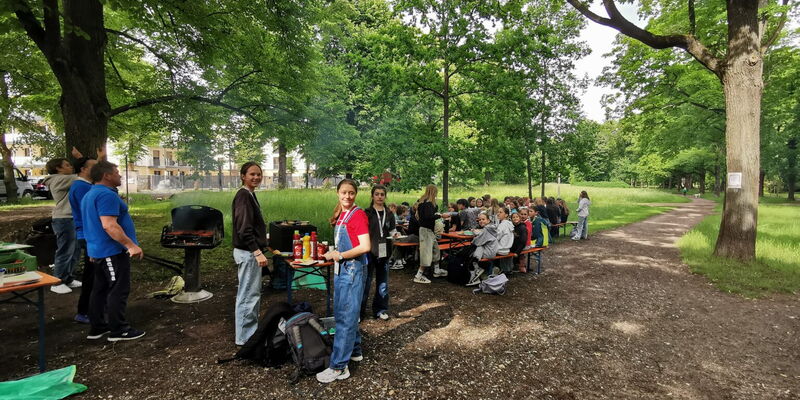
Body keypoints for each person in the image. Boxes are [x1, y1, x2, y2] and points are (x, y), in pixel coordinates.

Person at [81, 160, 145, 341]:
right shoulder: (105, 195)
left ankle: (98, 327)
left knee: (100, 288)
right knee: (118, 288)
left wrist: (93, 249)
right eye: (116, 172)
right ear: (106, 175)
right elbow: (109, 225)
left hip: (99, 250)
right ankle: (119, 330)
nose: (120, 175)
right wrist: (130, 245)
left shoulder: (91, 193)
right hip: (111, 251)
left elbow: (89, 224)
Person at [317, 179, 371, 383]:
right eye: (344, 192)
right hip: (343, 269)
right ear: (337, 193)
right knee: (345, 313)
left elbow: (365, 246)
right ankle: (355, 350)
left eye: (351, 193)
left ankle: (339, 367)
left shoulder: (358, 215)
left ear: (356, 194)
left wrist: (340, 255)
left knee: (346, 317)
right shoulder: (342, 214)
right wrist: (333, 251)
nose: (347, 196)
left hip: (353, 270)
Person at [231, 162, 268, 345]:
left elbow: (251, 226)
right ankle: (245, 339)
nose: (256, 177)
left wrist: (263, 238)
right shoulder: (243, 196)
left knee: (251, 294)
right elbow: (244, 229)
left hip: (249, 252)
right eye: (252, 174)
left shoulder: (250, 194)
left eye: (259, 174)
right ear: (243, 176)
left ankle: (249, 333)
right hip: (247, 253)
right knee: (248, 295)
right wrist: (257, 251)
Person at [68, 148, 104, 323]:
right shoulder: (80, 187)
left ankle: (93, 308)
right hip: (89, 235)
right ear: (83, 169)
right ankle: (85, 312)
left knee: (97, 273)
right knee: (93, 275)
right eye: (94, 166)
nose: (97, 170)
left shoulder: (86, 185)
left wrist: (98, 158)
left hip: (91, 234)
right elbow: (91, 213)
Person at [43, 154, 81, 294]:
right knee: (65, 250)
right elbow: (84, 175)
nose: (70, 167)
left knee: (75, 250)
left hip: (73, 218)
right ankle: (57, 281)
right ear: (58, 169)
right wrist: (82, 159)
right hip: (64, 219)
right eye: (67, 165)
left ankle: (67, 278)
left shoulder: (66, 178)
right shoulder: (58, 180)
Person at [362, 185, 397, 321]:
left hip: (384, 252)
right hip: (369, 252)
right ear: (372, 196)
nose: (380, 197)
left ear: (385, 196)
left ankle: (380, 309)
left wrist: (396, 235)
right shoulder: (367, 213)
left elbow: (393, 231)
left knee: (383, 283)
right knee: (366, 283)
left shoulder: (389, 213)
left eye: (382, 194)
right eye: (377, 194)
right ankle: (360, 312)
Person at [412, 184, 445, 284]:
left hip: (429, 231)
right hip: (426, 231)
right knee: (426, 254)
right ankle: (418, 275)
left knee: (436, 250)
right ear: (433, 192)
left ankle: (436, 270)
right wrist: (439, 215)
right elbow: (428, 217)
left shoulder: (424, 202)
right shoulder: (427, 204)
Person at [466, 212, 498, 286]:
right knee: (478, 247)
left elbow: (477, 241)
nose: (481, 221)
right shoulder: (491, 227)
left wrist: (474, 237)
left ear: (488, 220)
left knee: (477, 247)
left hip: (489, 253)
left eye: (483, 219)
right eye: (479, 219)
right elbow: (483, 236)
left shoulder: (487, 229)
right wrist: (478, 233)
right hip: (492, 250)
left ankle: (476, 269)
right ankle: (477, 268)